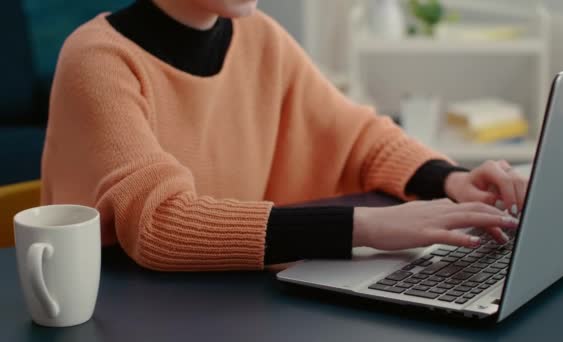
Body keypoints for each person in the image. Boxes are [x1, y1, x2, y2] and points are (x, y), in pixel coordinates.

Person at [41, 0, 526, 271]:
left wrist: (451, 180)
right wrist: (369, 228)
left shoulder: (261, 39)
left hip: (234, 298)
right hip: (131, 310)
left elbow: (357, 136)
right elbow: (159, 223)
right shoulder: (97, 60)